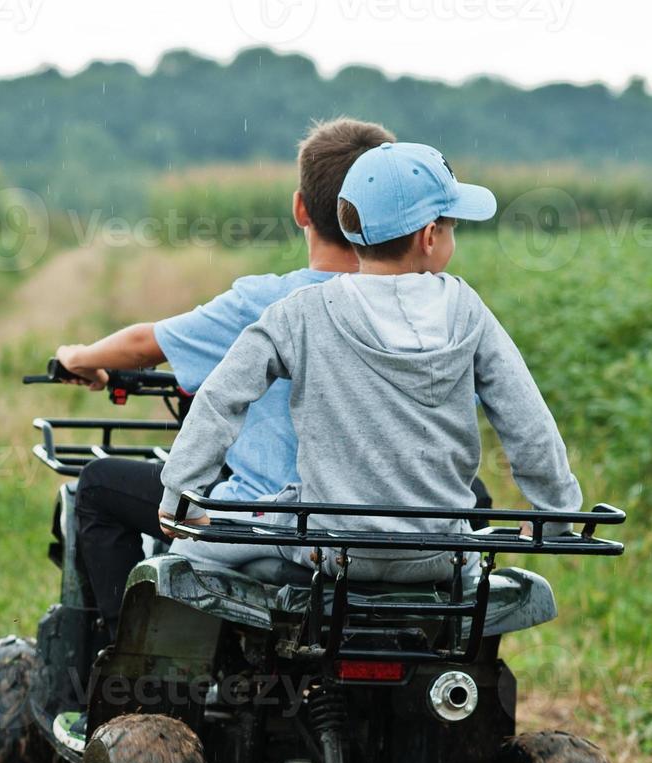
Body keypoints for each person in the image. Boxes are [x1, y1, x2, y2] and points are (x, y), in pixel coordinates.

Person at [159, 142, 581, 584]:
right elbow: (526, 419)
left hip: (327, 551)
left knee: (188, 554)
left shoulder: (301, 313)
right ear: (430, 236)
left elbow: (221, 398)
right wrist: (555, 511)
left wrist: (179, 497)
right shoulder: (468, 311)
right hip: (442, 552)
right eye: (454, 226)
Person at [54, 117, 398, 645]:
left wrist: (81, 357)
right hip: (394, 523)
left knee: (98, 487)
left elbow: (149, 343)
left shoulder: (267, 302)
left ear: (300, 209)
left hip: (267, 518)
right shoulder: (425, 307)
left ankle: (128, 657)